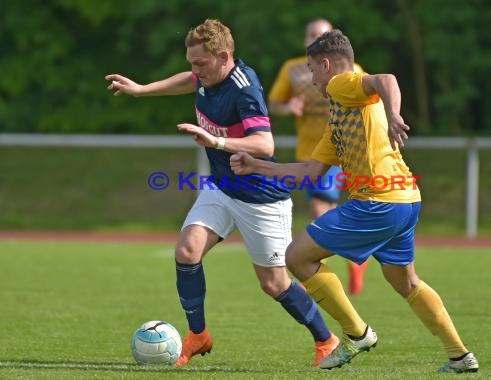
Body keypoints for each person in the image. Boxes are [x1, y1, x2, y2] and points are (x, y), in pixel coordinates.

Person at [230, 29, 479, 373]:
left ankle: (357, 333)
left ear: (327, 65)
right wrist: (256, 165)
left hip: (378, 200)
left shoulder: (340, 84)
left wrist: (394, 116)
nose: (312, 79)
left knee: (297, 257)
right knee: (406, 282)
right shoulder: (341, 116)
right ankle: (459, 355)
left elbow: (386, 79)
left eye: (312, 70)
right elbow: (310, 172)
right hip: (405, 199)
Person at [105, 19, 339, 368]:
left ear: (224, 56)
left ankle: (327, 340)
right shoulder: (205, 75)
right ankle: (198, 335)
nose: (194, 70)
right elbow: (190, 81)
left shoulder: (244, 88)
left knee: (274, 284)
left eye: (200, 63)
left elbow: (265, 143)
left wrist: (217, 141)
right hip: (221, 187)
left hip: (260, 196)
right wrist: (142, 89)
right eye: (191, 63)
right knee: (186, 251)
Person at [268, 18, 369, 296]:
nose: (315, 38)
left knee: (319, 207)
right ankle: (353, 255)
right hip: (309, 153)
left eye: (321, 35)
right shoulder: (292, 69)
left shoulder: (351, 70)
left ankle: (313, 265)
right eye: (311, 34)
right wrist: (289, 107)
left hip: (339, 152)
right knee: (324, 206)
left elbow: (370, 97)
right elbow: (273, 104)